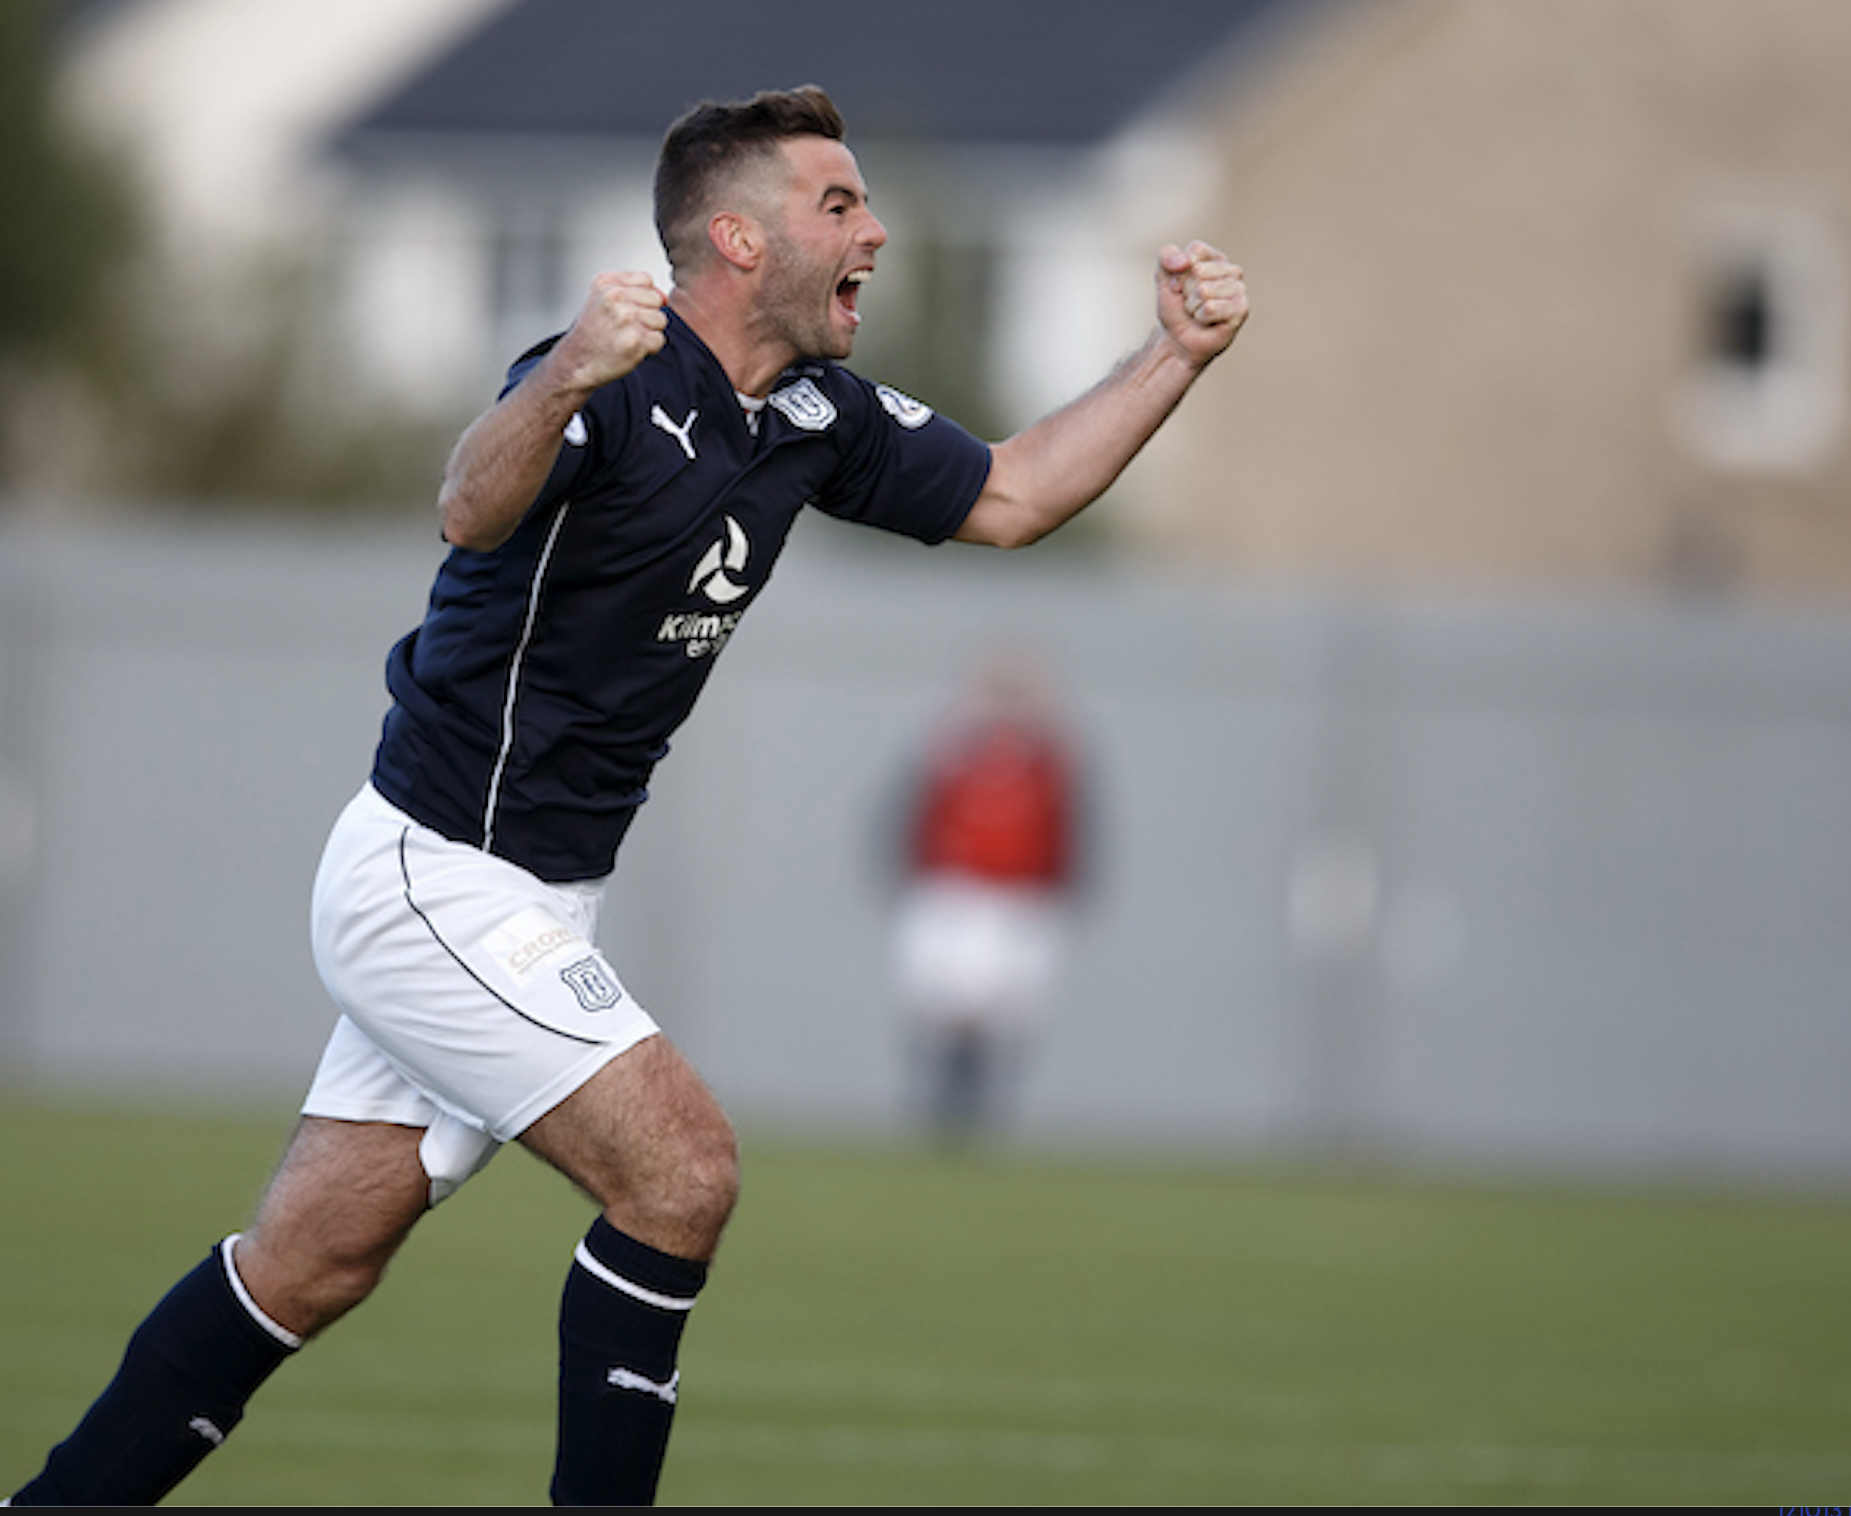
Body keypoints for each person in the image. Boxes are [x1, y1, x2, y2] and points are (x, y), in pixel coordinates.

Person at [7, 85, 1248, 1506]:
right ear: (737, 239)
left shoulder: (812, 415)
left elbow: (1014, 494)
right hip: (435, 874)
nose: (874, 230)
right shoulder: (609, 373)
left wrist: (1173, 353)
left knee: (307, 1264)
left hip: (532, 900)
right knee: (682, 1173)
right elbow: (468, 506)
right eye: (838, 205)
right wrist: (557, 382)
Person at [892, 652, 1086, 1140]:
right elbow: (916, 811)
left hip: (1020, 897)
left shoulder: (1048, 756)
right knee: (946, 1003)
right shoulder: (952, 748)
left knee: (1005, 1012)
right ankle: (944, 1104)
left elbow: (1066, 827)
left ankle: (981, 1110)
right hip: (957, 892)